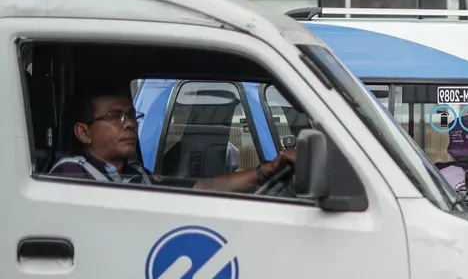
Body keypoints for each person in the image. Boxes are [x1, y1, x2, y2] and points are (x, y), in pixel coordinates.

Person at [49, 88, 295, 191]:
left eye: (132, 116)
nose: (130, 124)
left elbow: (202, 188)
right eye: (115, 117)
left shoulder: (136, 173)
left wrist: (267, 171)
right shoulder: (72, 175)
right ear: (84, 132)